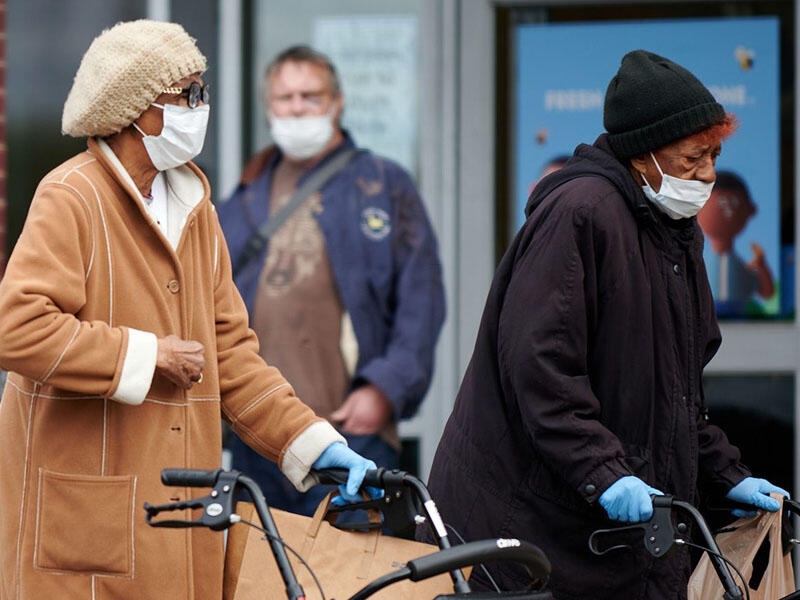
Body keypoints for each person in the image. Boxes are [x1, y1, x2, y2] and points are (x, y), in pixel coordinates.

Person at [0, 21, 377, 600]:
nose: (202, 108)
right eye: (188, 94)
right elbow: (17, 328)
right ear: (133, 109)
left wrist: (311, 442)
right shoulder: (71, 195)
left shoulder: (195, 206)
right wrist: (147, 355)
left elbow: (231, 356)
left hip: (181, 516)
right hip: (85, 531)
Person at [423, 49, 789, 600]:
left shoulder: (673, 227)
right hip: (527, 527)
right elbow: (541, 369)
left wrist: (726, 474)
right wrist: (606, 473)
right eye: (692, 159)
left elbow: (677, 396)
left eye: (714, 155)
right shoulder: (580, 212)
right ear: (643, 155)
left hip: (598, 533)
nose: (708, 175)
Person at [217, 45, 445, 516]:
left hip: (348, 437)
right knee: (259, 581)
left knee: (351, 581)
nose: (297, 107)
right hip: (260, 437)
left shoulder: (383, 184)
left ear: (337, 102)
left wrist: (385, 389)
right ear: (269, 107)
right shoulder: (245, 193)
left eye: (310, 95)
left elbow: (421, 303)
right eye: (285, 98)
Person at [697, 169, 775, 317]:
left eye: (733, 203)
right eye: (720, 203)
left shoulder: (740, 268)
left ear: (750, 210)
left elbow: (766, 292)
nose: (727, 210)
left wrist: (762, 265)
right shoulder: (699, 265)